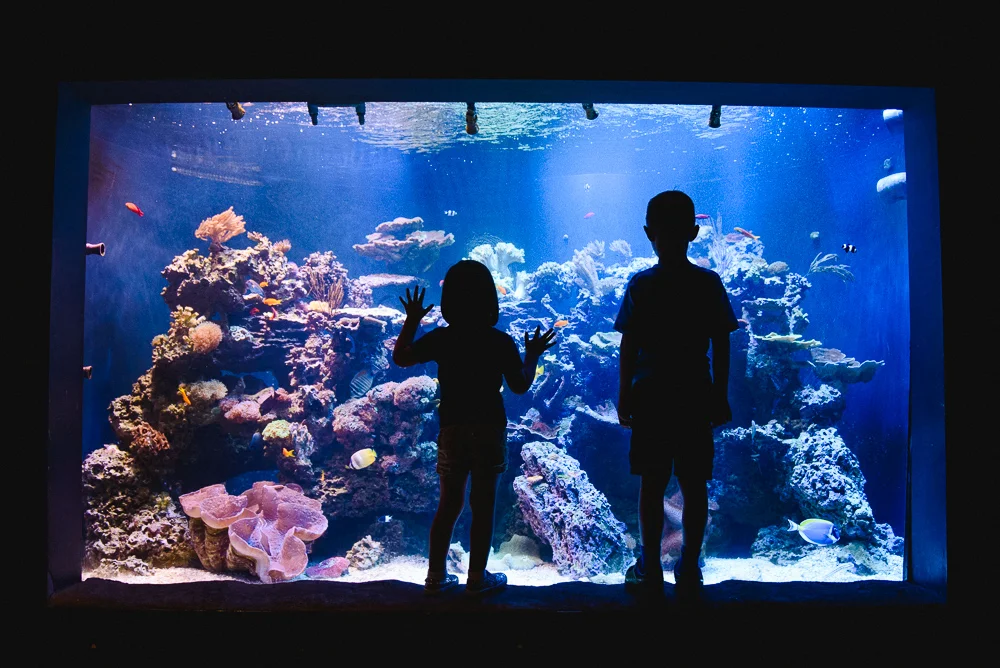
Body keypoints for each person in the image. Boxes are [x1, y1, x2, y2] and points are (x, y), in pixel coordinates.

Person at [393, 260, 557, 595]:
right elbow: (520, 386)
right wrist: (532, 355)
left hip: (453, 430)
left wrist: (412, 320)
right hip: (488, 430)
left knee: (449, 504)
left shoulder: (443, 338)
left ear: (449, 301)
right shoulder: (500, 341)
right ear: (490, 301)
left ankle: (436, 577)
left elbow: (401, 357)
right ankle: (477, 578)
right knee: (483, 506)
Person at [614, 190, 738, 596]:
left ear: (648, 233)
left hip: (650, 396)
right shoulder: (707, 283)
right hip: (695, 395)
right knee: (694, 485)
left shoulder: (641, 284)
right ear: (694, 233)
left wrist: (624, 395)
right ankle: (689, 567)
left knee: (651, 485)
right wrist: (720, 394)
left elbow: (628, 345)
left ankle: (650, 567)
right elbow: (722, 342)